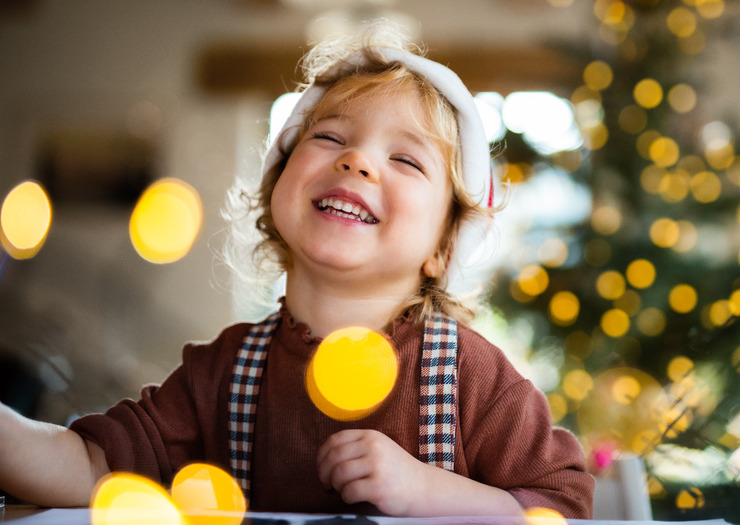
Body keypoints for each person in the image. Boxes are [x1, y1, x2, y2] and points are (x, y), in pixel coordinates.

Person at [0, 23, 594, 518]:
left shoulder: (470, 377)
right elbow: (94, 468)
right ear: (276, 189)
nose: (356, 159)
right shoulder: (222, 373)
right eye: (330, 136)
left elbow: (563, 505)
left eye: (406, 159)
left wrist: (431, 492)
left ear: (443, 246)